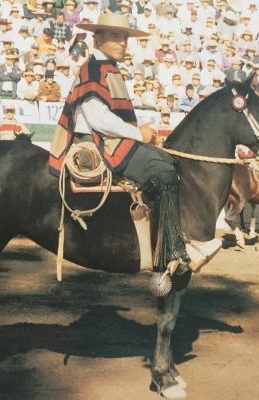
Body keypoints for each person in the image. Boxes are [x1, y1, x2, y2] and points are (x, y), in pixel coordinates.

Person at [47, 12, 193, 272]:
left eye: (125, 37)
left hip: (109, 137)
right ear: (98, 37)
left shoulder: (108, 68)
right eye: (115, 36)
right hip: (98, 140)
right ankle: (171, 252)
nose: (122, 43)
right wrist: (139, 134)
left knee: (165, 160)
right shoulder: (93, 67)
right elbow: (98, 118)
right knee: (163, 172)